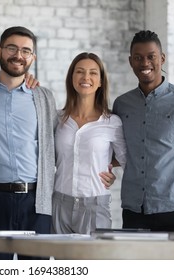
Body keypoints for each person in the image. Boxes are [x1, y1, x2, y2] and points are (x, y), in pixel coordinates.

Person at [0, 26, 57, 259]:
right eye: (12, 48)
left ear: (32, 57)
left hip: (36, 202)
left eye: (26, 51)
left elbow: (57, 142)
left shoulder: (44, 96)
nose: (18, 55)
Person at [112, 30, 174, 232]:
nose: (145, 63)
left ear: (161, 58)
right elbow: (117, 151)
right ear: (130, 62)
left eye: (151, 56)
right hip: (133, 212)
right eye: (138, 58)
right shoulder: (122, 105)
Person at [51, 52, 126, 235]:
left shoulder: (112, 122)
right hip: (59, 204)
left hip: (95, 206)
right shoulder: (57, 119)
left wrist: (109, 167)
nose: (86, 77)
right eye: (80, 72)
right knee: (62, 263)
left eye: (93, 73)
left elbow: (128, 162)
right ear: (71, 78)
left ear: (100, 81)